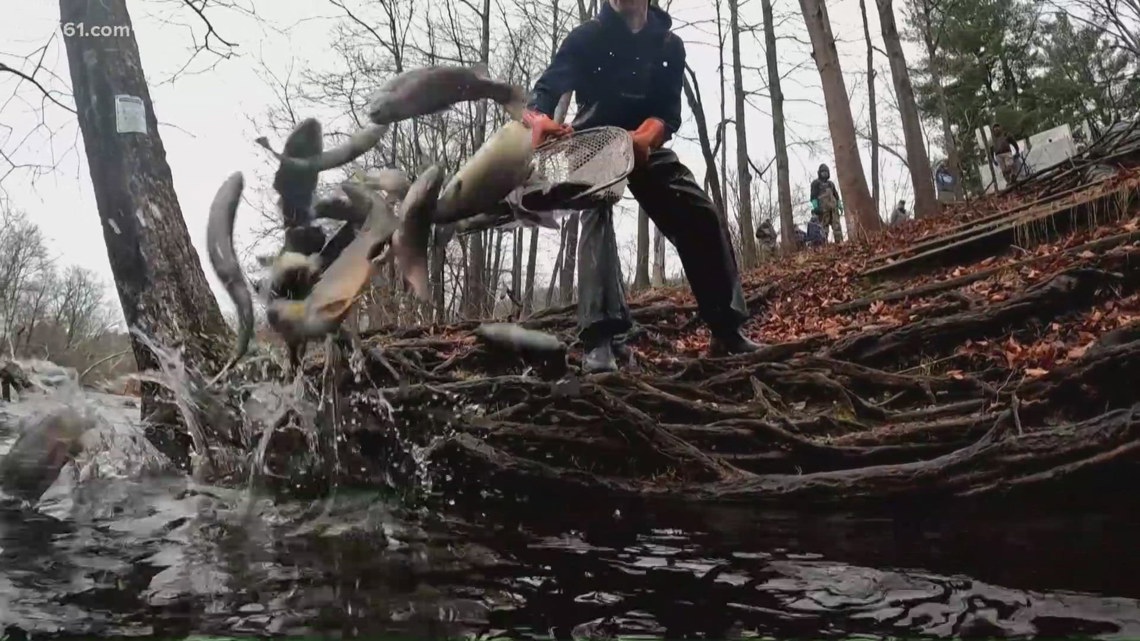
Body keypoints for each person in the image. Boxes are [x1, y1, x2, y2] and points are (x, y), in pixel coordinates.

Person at [524, 0, 760, 373]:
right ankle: (601, 340)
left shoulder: (669, 46)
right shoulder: (586, 37)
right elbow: (547, 88)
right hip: (594, 142)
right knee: (597, 208)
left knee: (698, 212)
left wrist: (646, 137)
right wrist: (538, 117)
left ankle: (726, 328)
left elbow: (667, 115)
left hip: (644, 145)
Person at [809, 164, 843, 243]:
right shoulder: (816, 183)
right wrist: (815, 206)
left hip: (833, 209)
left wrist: (839, 205)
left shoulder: (831, 184)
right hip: (823, 210)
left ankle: (840, 243)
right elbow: (813, 196)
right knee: (823, 228)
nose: (824, 174)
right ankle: (824, 245)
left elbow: (836, 195)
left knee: (837, 227)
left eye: (826, 172)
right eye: (823, 172)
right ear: (819, 173)